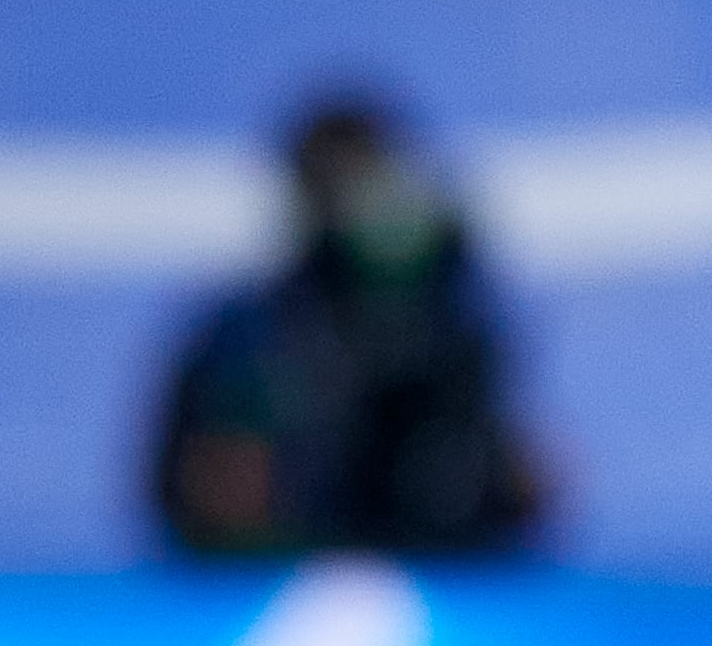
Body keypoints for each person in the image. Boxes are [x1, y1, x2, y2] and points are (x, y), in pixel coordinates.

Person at [150, 92, 543, 557]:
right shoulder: (256, 333)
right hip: (277, 573)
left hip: (444, 572)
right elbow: (210, 494)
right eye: (340, 192)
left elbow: (514, 485)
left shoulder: (452, 324)